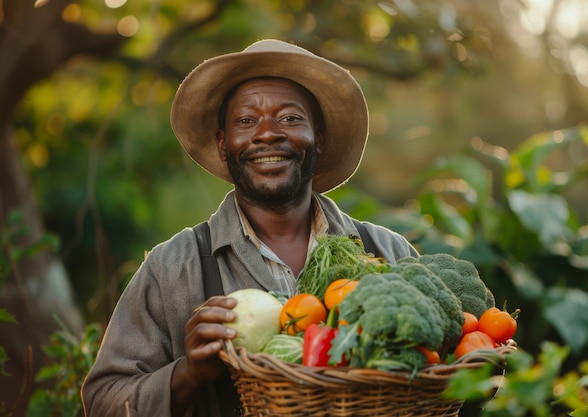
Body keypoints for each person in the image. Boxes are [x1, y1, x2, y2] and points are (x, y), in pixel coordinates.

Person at [81, 39, 419, 417]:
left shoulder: (389, 253)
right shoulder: (174, 269)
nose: (267, 133)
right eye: (246, 121)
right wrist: (188, 374)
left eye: (290, 118)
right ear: (224, 144)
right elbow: (103, 402)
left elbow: (453, 373)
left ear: (318, 136)